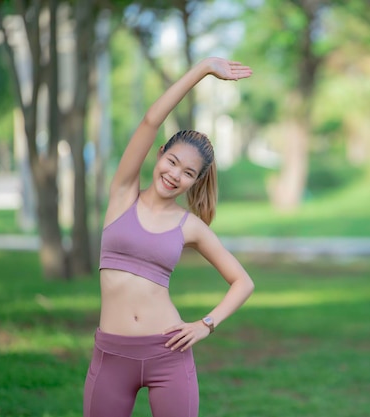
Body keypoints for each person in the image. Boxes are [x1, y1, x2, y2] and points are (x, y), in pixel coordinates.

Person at [83, 57, 255, 417]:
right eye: (172, 162)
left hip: (168, 355)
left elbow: (242, 282)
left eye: (188, 173)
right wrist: (202, 70)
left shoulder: (189, 226)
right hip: (112, 356)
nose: (176, 175)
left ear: (195, 181)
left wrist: (206, 325)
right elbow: (151, 120)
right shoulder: (122, 195)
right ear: (159, 155)